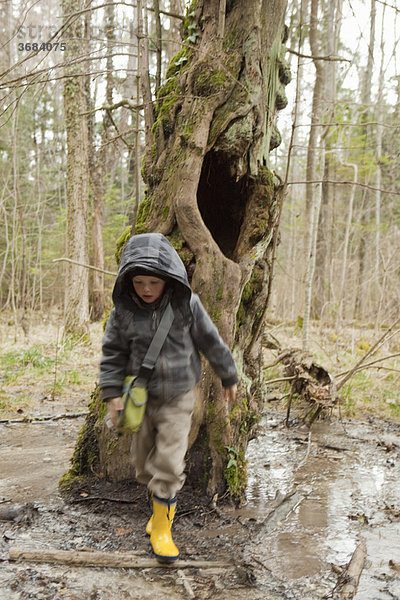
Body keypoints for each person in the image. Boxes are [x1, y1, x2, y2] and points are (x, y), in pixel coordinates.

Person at [99, 232, 238, 562]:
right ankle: (159, 509)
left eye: (154, 282)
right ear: (128, 281)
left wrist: (228, 374)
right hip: (141, 398)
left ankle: (162, 528)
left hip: (178, 396)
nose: (146, 289)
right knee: (142, 464)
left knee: (169, 464)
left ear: (169, 279)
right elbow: (112, 353)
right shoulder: (123, 312)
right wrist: (112, 394)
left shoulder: (186, 304)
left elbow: (211, 340)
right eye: (139, 282)